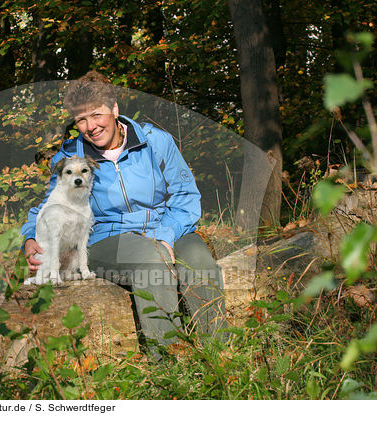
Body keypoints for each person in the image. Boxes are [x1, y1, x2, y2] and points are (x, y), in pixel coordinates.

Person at [22, 71, 225, 355]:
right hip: (109, 237)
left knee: (198, 258)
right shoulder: (71, 159)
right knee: (152, 259)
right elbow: (50, 205)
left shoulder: (156, 142)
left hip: (167, 225)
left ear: (114, 109)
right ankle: (171, 365)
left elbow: (185, 196)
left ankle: (221, 354)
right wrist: (31, 238)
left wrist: (165, 234)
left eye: (97, 115)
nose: (90, 126)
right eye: (81, 119)